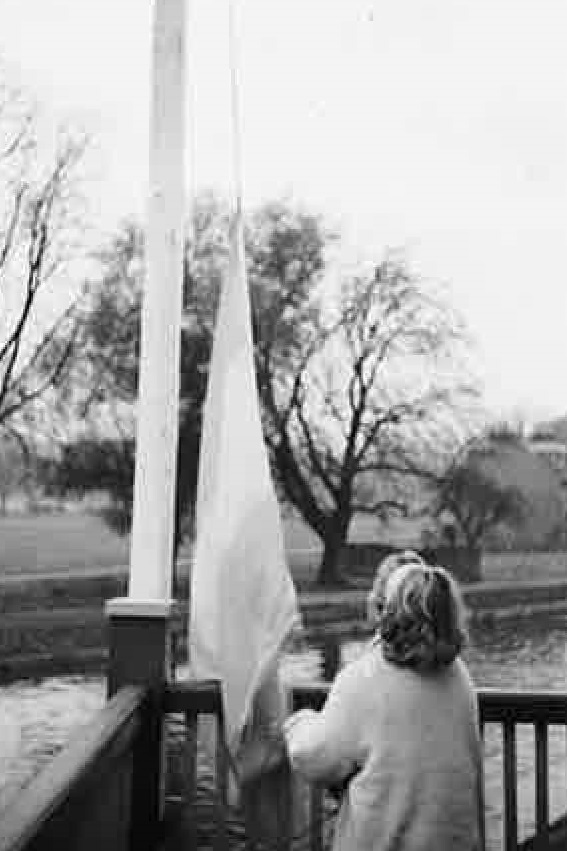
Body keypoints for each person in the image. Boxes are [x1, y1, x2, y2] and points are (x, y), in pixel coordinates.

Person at [283, 556, 483, 851]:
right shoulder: (459, 675)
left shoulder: (364, 678)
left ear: (385, 612)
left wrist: (298, 723)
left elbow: (314, 757)